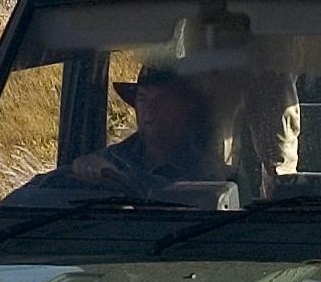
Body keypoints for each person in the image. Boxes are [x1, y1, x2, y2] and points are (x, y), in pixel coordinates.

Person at [62, 66, 220, 199]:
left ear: (184, 109)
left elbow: (185, 199)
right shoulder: (113, 156)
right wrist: (80, 168)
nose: (150, 109)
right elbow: (45, 185)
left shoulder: (204, 168)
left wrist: (121, 178)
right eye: (143, 99)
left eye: (162, 100)